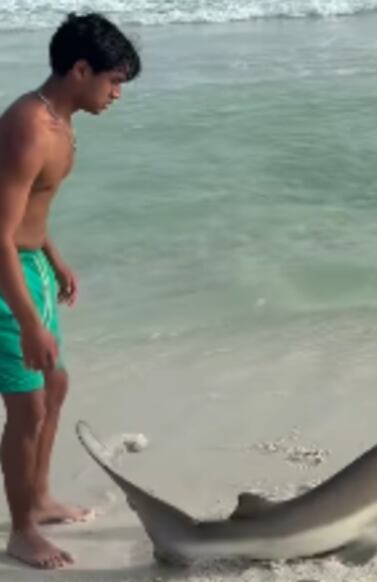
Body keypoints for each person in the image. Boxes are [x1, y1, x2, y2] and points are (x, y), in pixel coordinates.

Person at [0, 12, 141, 569]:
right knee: (28, 407)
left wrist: (54, 259)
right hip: (6, 271)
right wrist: (29, 321)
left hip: (30, 263)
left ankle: (38, 496)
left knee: (54, 385)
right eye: (112, 81)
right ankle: (22, 530)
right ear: (79, 69)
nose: (116, 94)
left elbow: (30, 206)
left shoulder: (60, 119)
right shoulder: (30, 128)